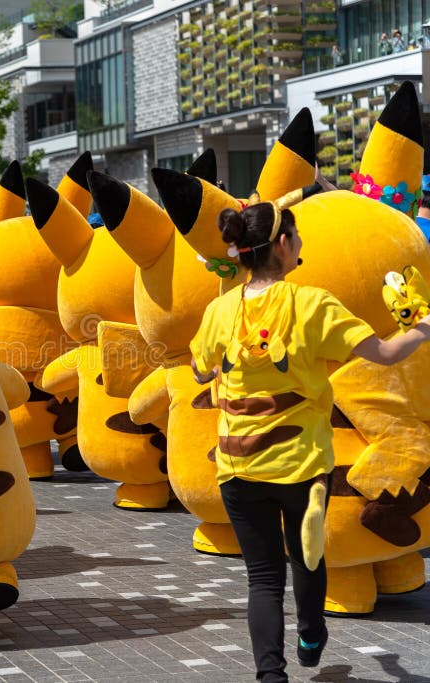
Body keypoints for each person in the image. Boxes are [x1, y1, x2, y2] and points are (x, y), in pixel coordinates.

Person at [189, 196, 430, 683]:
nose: (300, 245)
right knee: (306, 556)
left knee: (262, 578)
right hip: (301, 464)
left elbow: (198, 368)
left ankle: (270, 676)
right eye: (297, 238)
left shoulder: (219, 310)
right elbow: (383, 353)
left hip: (238, 466)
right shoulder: (313, 303)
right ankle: (312, 630)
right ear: (281, 244)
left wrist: (225, 365)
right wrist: (423, 326)